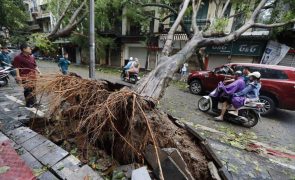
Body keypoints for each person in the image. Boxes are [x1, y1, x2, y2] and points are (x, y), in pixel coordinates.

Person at [12, 43, 41, 108]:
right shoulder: (18, 57)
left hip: (33, 76)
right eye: (29, 48)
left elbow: (35, 65)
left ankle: (34, 102)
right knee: (27, 90)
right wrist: (18, 76)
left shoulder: (31, 57)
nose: (30, 49)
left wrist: (39, 72)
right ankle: (28, 103)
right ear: (24, 49)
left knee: (33, 90)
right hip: (25, 77)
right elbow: (17, 67)